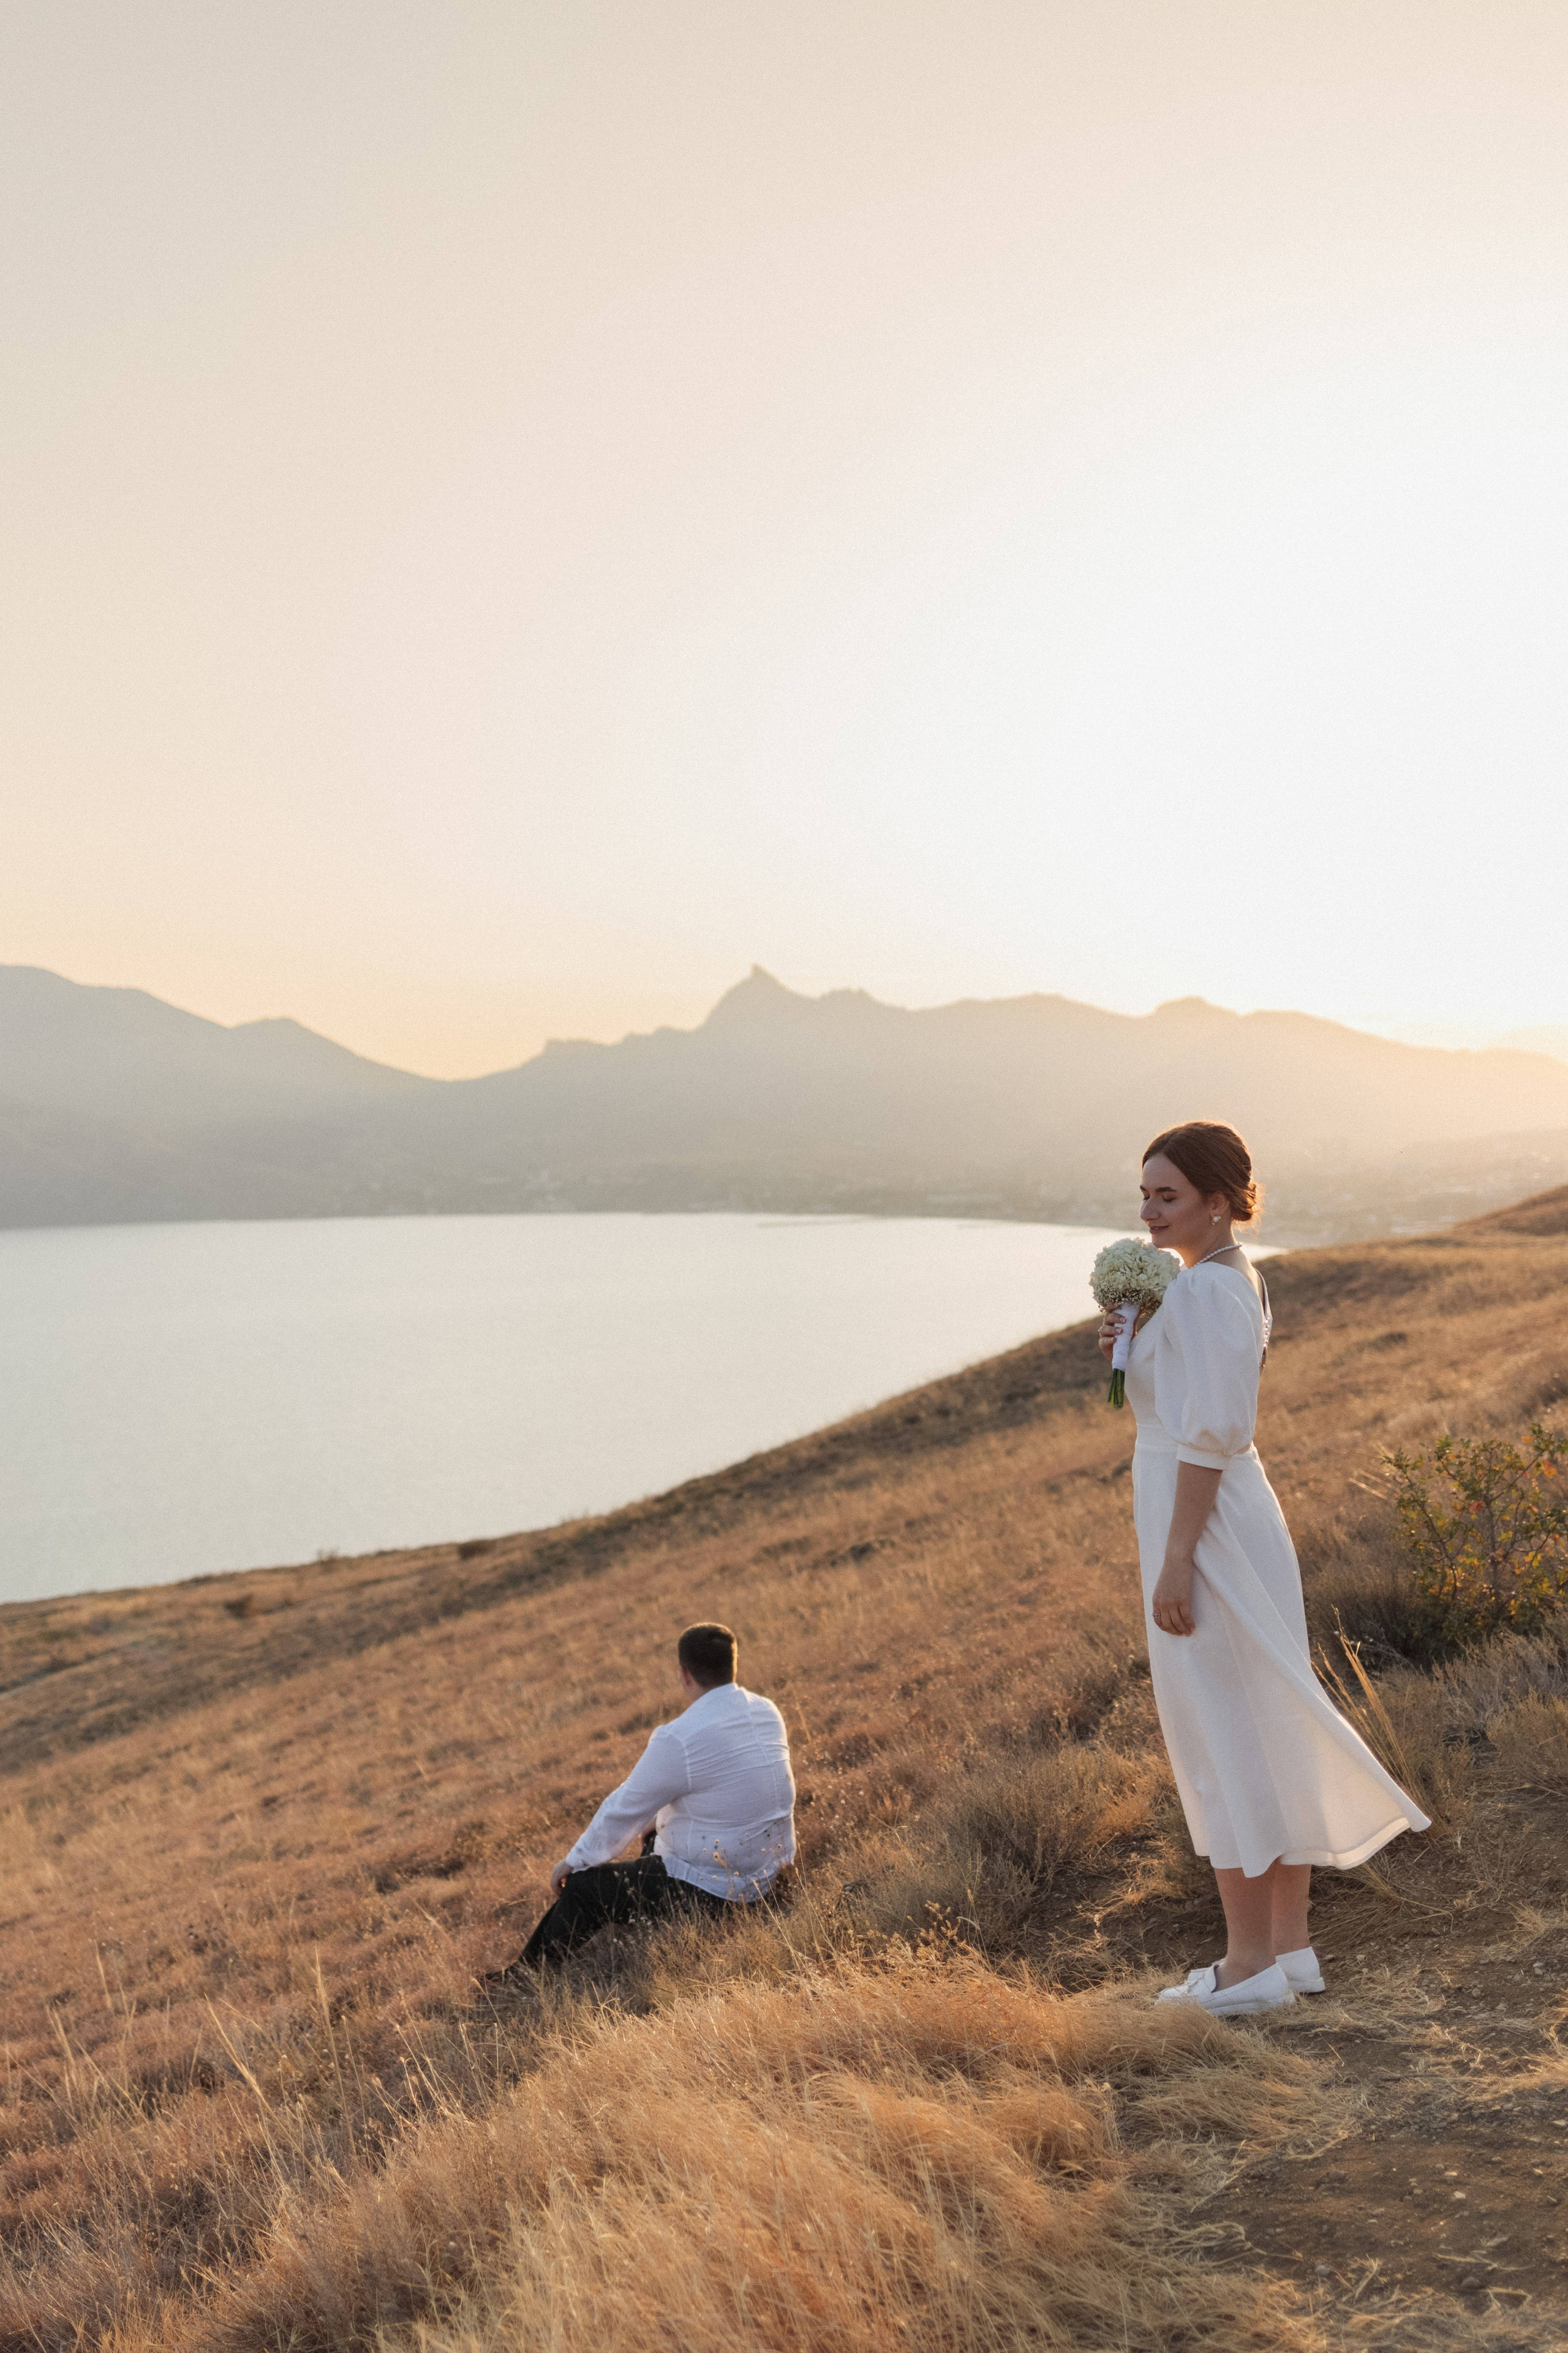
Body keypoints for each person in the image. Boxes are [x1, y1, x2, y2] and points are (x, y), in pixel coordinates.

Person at [1098, 1120, 1429, 2017]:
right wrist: (1135, 1350)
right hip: (1225, 1513)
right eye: (1145, 1194)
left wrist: (1177, 1560)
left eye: (1167, 1195)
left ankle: (1247, 1967)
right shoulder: (1218, 1279)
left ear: (1217, 1200)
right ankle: (1288, 1950)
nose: (1149, 1211)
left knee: (1223, 1732)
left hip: (1204, 1523)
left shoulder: (1207, 1289)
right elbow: (1194, 1402)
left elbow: (1211, 1433)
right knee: (1260, 1721)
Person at [492, 1622, 796, 1976]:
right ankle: (640, 1922)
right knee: (653, 1832)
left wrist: (575, 1861)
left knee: (585, 1888)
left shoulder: (679, 1737)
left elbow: (624, 1808)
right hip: (770, 1874)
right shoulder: (766, 1710)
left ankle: (525, 1976)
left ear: (684, 1674)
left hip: (720, 1892)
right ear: (733, 1664)